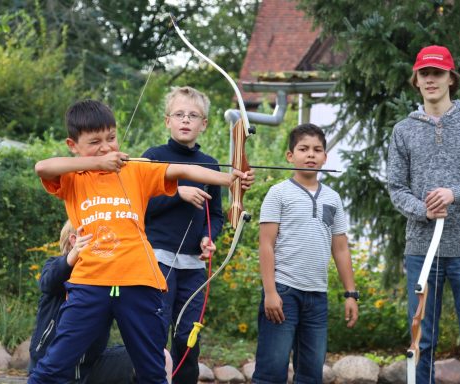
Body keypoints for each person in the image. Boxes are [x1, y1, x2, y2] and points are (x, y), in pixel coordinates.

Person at [29, 99, 253, 384]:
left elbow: (181, 171)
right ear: (73, 145)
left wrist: (228, 178)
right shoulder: (73, 176)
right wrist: (97, 162)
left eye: (111, 138)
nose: (107, 147)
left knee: (152, 369)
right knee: (53, 367)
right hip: (90, 283)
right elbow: (42, 166)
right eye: (95, 141)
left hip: (139, 281)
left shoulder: (136, 168)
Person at [387, 45, 460, 384]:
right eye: (424, 73)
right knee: (421, 342)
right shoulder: (403, 131)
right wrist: (423, 210)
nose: (431, 79)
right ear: (416, 80)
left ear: (451, 78)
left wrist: (455, 194)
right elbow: (396, 188)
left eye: (437, 73)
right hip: (421, 252)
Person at [252, 123, 359, 384]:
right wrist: (270, 292)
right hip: (283, 293)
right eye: (303, 149)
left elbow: (341, 247)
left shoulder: (332, 198)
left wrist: (351, 294)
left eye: (317, 150)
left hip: (317, 297)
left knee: (311, 374)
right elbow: (266, 245)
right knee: (271, 371)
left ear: (325, 157)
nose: (310, 155)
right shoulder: (278, 193)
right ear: (290, 156)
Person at [142, 86, 226, 383]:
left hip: (193, 266)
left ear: (204, 124)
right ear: (167, 120)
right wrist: (176, 192)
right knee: (155, 330)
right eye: (179, 114)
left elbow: (215, 214)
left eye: (193, 115)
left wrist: (208, 236)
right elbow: (140, 206)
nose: (185, 120)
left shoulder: (211, 165)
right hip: (157, 260)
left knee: (187, 337)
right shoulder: (153, 157)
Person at [29, 220, 135, 383]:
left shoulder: (106, 278)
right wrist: (73, 258)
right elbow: (48, 282)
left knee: (154, 356)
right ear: (75, 240)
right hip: (50, 365)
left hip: (89, 369)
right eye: (100, 238)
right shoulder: (54, 265)